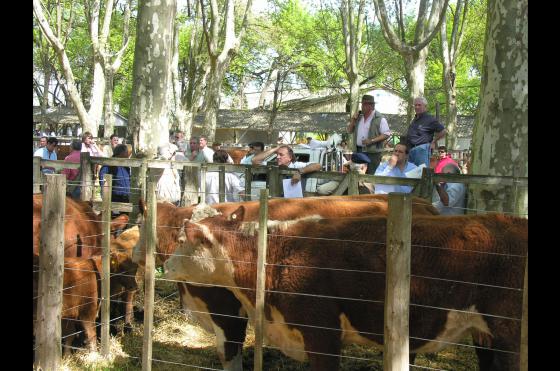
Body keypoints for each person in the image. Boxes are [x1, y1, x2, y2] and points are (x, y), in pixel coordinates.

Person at [346, 94, 391, 174]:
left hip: (372, 153)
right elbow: (349, 131)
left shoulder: (380, 118)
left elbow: (387, 134)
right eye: (362, 104)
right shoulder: (359, 117)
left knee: (371, 176)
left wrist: (372, 140)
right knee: (356, 176)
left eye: (365, 104)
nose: (362, 106)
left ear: (371, 106)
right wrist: (353, 120)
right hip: (358, 151)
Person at [252, 144, 321, 187]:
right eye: (277, 154)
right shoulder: (273, 165)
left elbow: (318, 165)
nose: (278, 157)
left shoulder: (296, 165)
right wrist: (275, 149)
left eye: (281, 155)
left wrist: (300, 172)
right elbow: (255, 160)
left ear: (290, 157)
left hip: (292, 203)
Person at [405, 97, 446, 168]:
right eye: (415, 105)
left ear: (425, 106)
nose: (417, 107)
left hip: (421, 150)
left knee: (421, 174)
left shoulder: (430, 119)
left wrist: (433, 141)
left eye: (419, 105)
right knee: (411, 174)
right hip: (410, 150)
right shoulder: (415, 119)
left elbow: (443, 131)